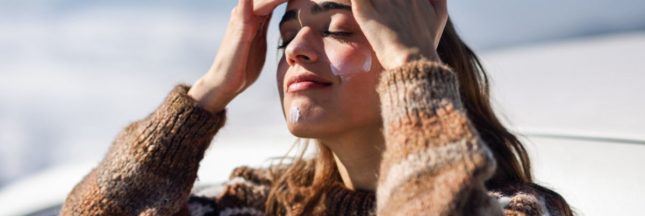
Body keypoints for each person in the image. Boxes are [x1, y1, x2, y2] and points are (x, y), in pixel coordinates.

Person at [61, 0, 573, 215]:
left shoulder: (522, 209)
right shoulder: (253, 202)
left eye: (338, 29)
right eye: (286, 38)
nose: (300, 49)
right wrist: (209, 91)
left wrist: (410, 63)